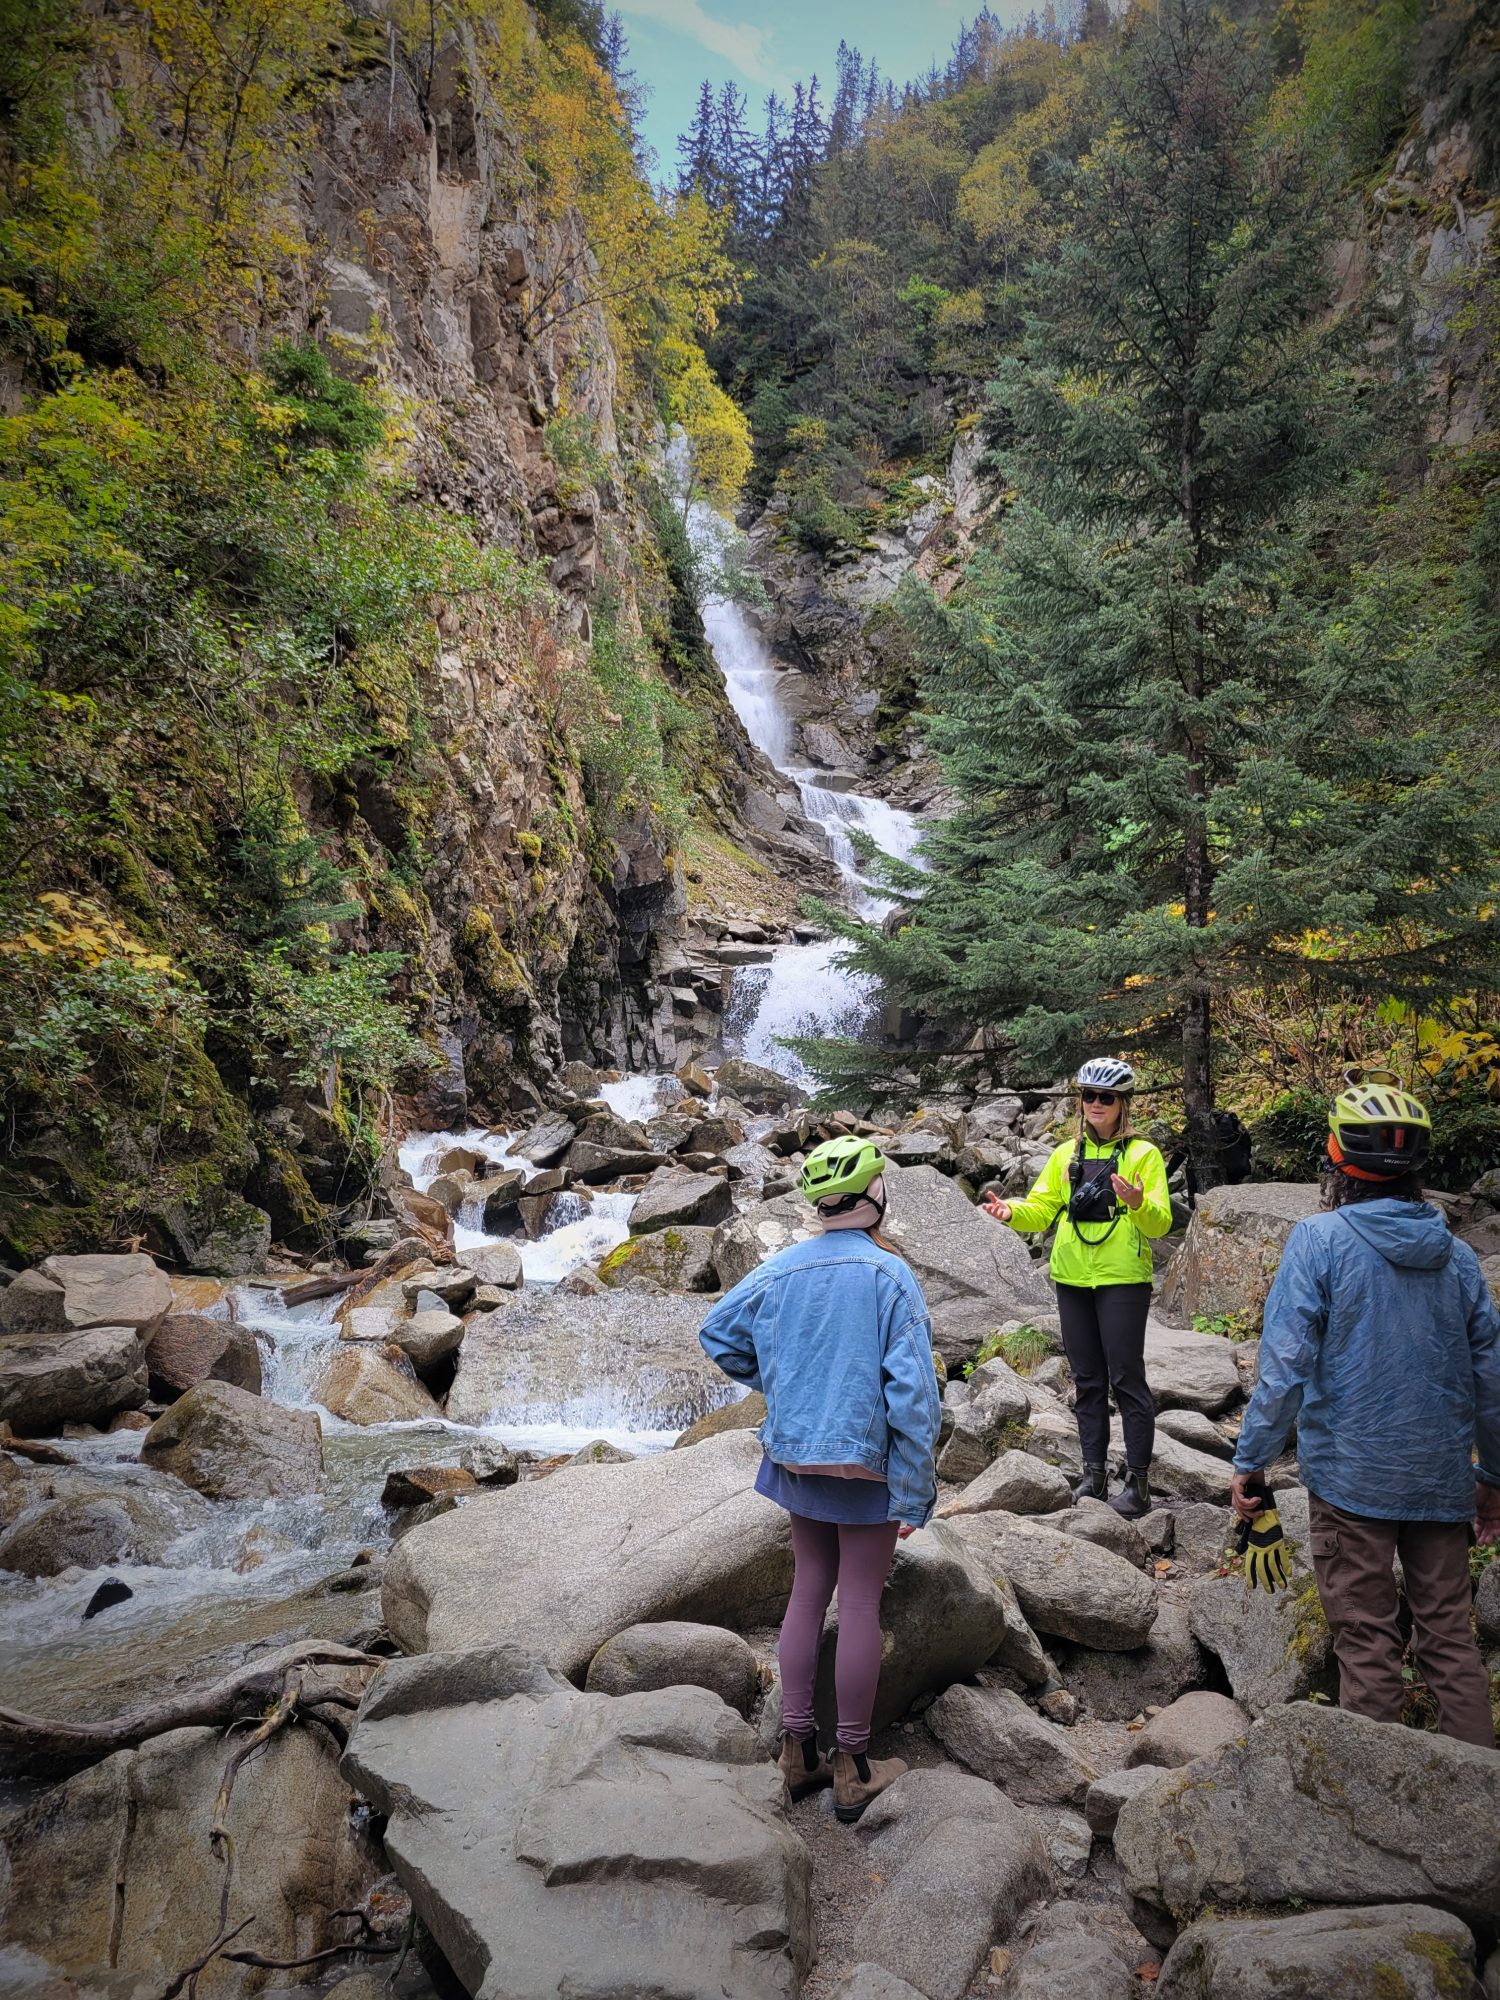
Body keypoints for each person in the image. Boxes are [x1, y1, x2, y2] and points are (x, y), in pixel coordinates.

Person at [1230, 1070, 1500, 1746]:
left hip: (1350, 1484)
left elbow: (1284, 1368)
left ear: (1336, 1159)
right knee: (1449, 1642)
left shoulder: (1318, 1243)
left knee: (1366, 1643)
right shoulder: (1462, 1260)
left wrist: (1251, 1464)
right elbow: (1492, 1380)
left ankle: (1372, 1819)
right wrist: (1492, 1478)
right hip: (1440, 1481)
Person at [698, 1135, 941, 1823]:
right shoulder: (891, 1277)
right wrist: (916, 1490)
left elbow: (716, 1332)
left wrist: (785, 1383)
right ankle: (855, 1766)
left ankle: (796, 1752)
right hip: (866, 1464)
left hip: (799, 1455)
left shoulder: (783, 1269)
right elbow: (915, 1399)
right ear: (875, 1197)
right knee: (859, 1603)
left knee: (809, 1591)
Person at [982, 1057, 1172, 1518]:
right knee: (1087, 1381)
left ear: (1122, 1103)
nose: (1096, 1104)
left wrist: (1137, 1201)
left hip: (1123, 1279)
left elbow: (1159, 1223)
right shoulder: (1066, 1155)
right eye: (1088, 1096)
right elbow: (1043, 1209)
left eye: (1106, 1097)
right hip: (1070, 1278)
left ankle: (1140, 1483)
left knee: (1126, 1378)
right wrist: (1011, 1212)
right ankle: (1094, 1474)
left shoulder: (1144, 1155)